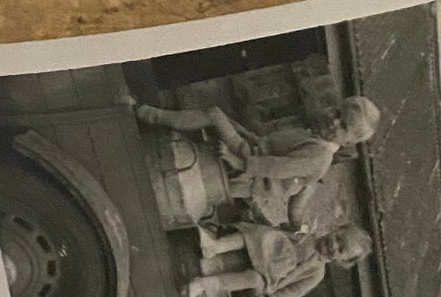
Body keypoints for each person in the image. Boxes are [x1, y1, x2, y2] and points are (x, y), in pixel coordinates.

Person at [135, 95, 381, 228]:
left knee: (213, 114)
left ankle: (147, 113)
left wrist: (240, 163)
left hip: (249, 167)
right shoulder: (313, 137)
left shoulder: (321, 156)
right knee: (226, 121)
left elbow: (277, 167)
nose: (334, 121)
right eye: (337, 113)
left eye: (343, 126)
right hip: (251, 153)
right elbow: (271, 147)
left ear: (348, 142)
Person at [184, 221, 373, 297]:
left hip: (270, 277)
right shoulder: (308, 231)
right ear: (335, 229)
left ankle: (206, 284)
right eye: (338, 239)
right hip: (267, 250)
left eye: (340, 250)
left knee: (254, 280)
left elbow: (294, 291)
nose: (334, 246)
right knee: (257, 234)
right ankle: (215, 246)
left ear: (342, 261)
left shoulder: (316, 273)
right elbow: (282, 229)